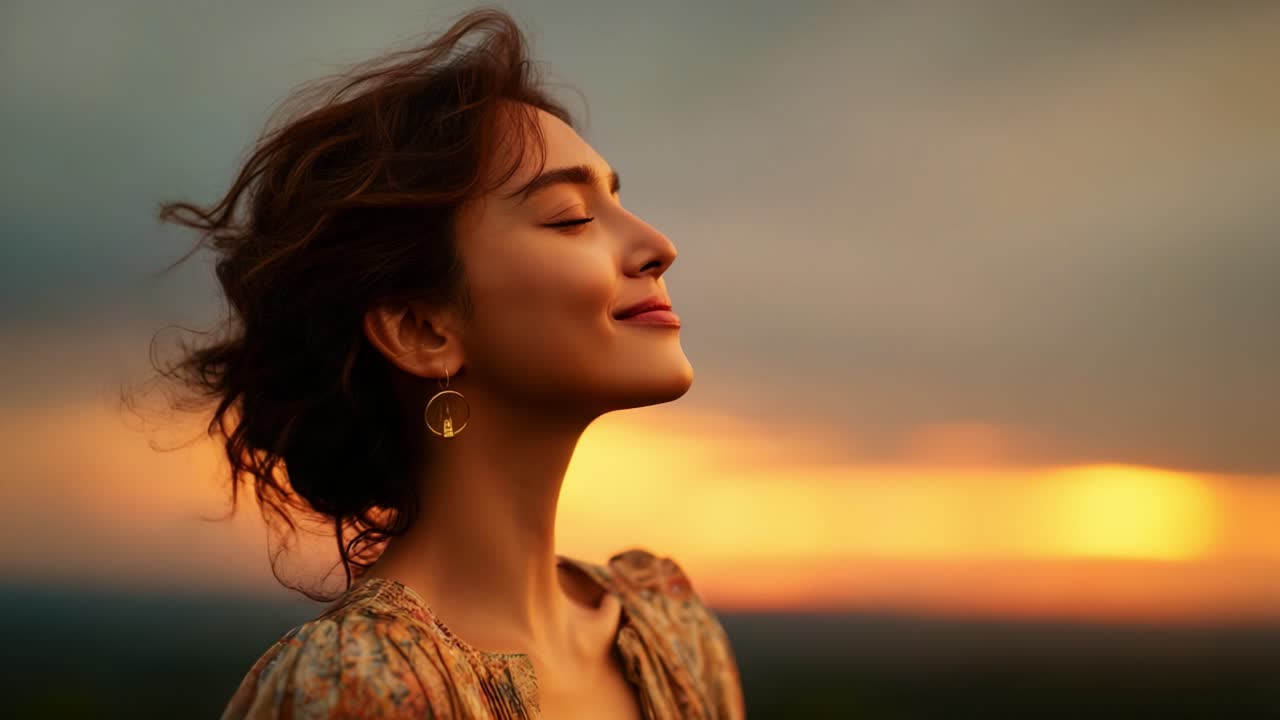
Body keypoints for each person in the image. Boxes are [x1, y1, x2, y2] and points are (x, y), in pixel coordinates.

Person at [148, 6, 745, 719]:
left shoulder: (672, 639)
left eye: (616, 201)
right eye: (570, 217)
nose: (658, 244)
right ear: (422, 329)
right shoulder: (355, 689)